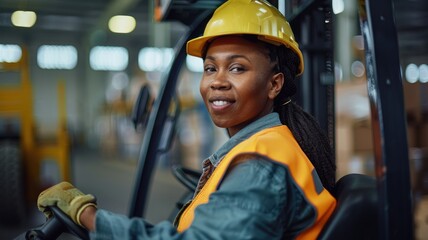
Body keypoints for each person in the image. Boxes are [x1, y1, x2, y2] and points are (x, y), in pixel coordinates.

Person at [37, 0, 337, 239]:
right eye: (210, 68)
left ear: (274, 84)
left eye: (237, 68)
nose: (217, 82)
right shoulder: (260, 150)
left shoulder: (260, 167)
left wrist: (87, 216)